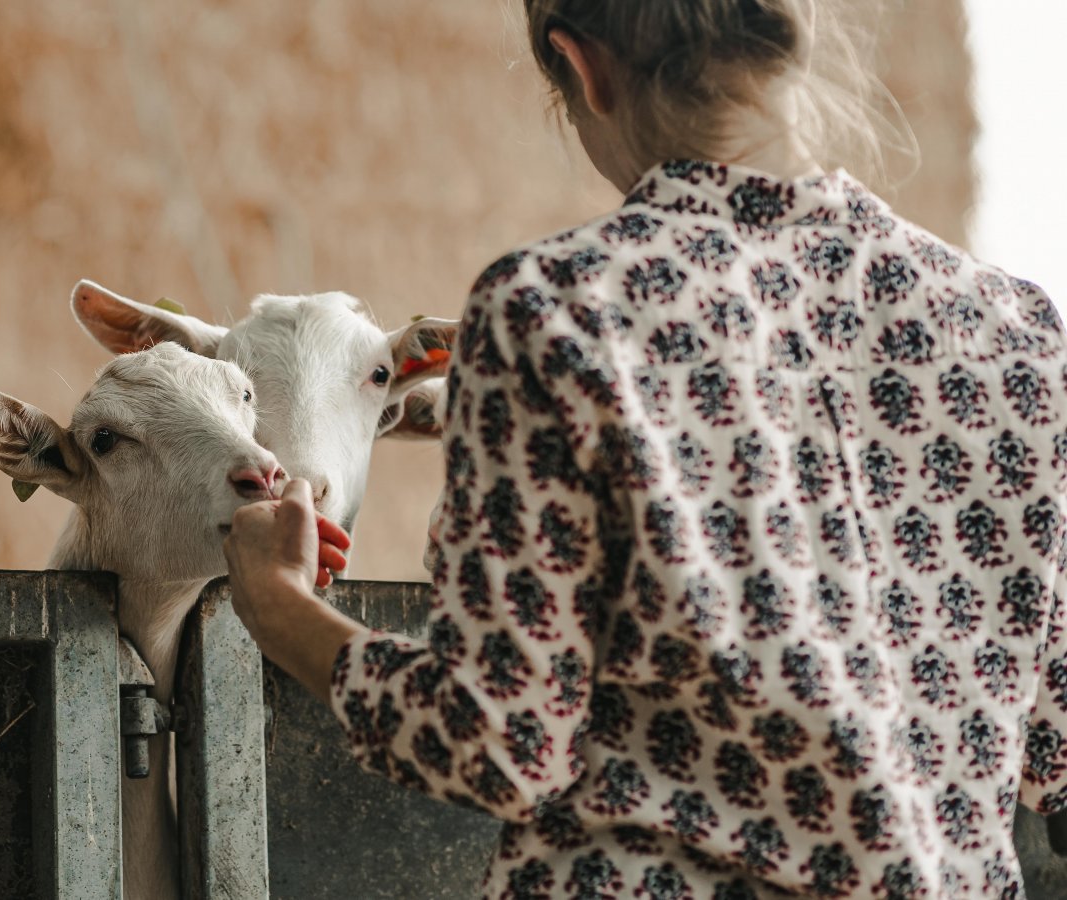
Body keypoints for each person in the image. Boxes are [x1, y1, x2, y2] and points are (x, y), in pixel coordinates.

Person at [222, 1, 1067, 897]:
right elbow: (1052, 747)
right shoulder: (1013, 329)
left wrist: (278, 606)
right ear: (796, 41)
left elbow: (501, 743)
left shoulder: (557, 312)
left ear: (582, 67)